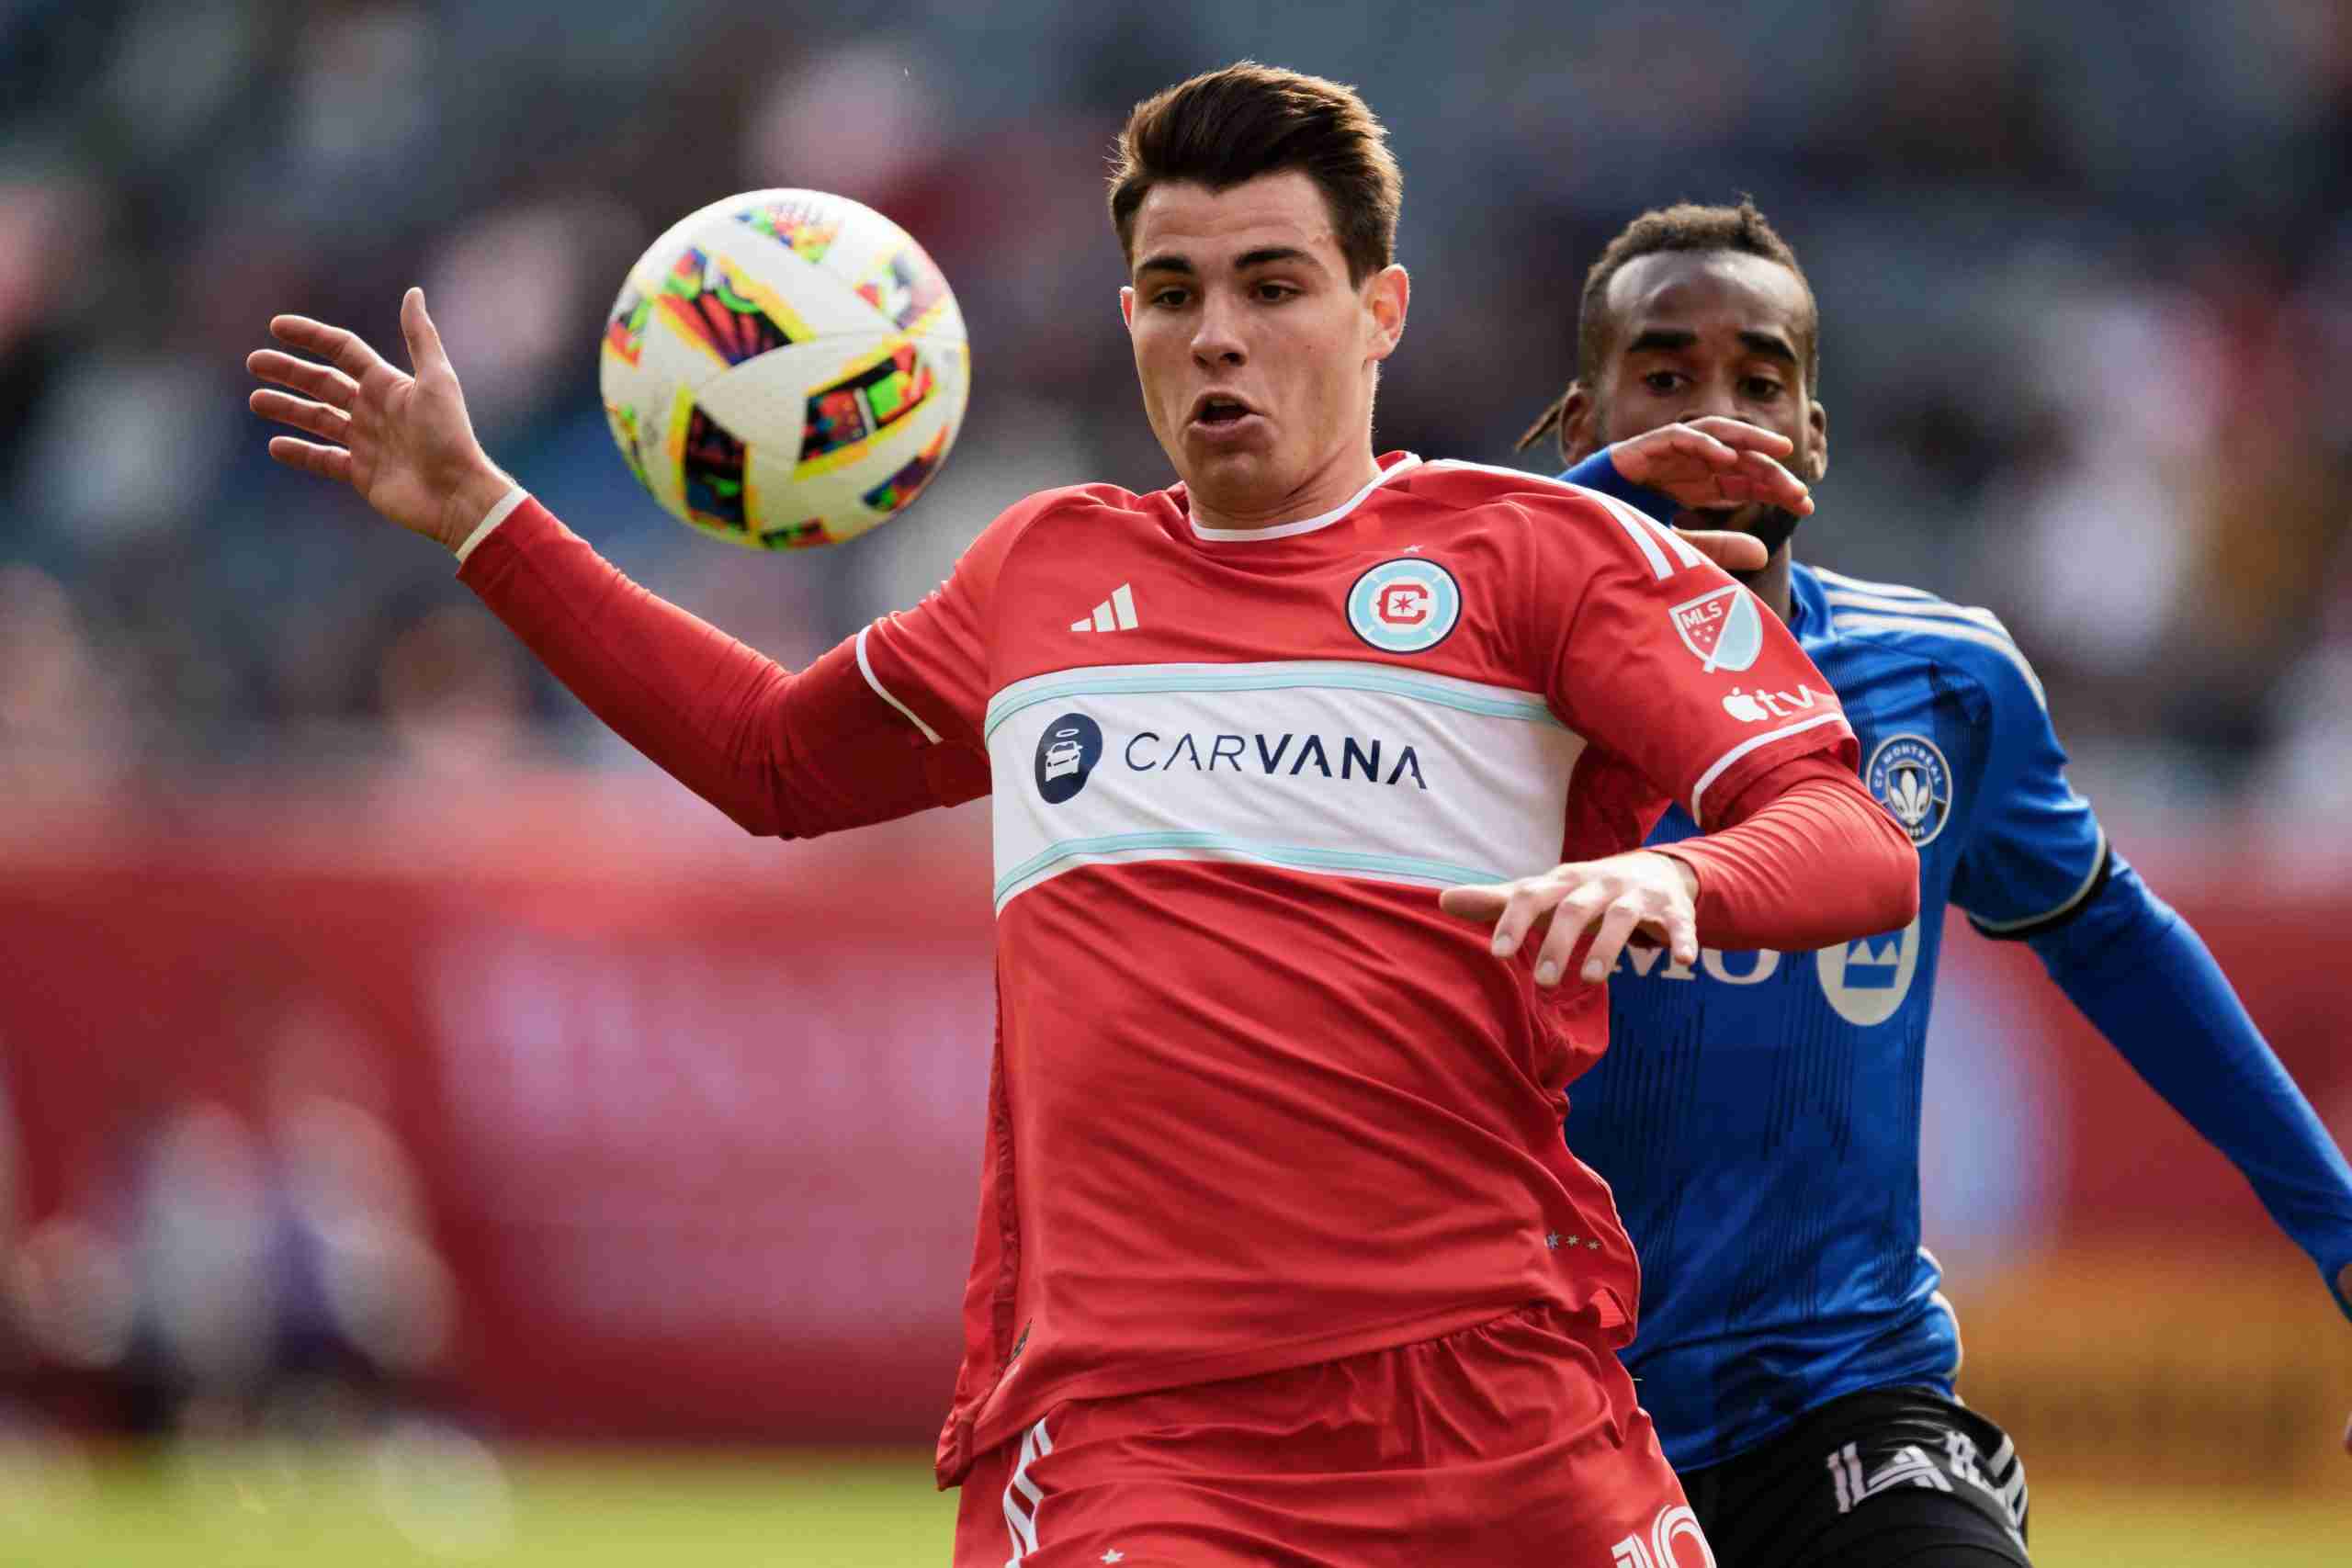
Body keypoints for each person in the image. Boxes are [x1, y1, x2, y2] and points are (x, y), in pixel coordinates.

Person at [248, 67, 1918, 1566]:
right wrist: (482, 515)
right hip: (1145, 1441)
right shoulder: (1044, 574)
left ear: (1380, 311)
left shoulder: (1539, 560)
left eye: (1274, 285)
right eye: (1175, 293)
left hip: (1502, 1401)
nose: (1218, 335)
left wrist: (1678, 880)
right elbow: (770, 759)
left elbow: (1848, 836)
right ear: (1129, 316)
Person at [1522, 199, 2352, 1568]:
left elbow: (2116, 944)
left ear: (1814, 438)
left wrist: (2335, 1222)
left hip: (1841, 1401)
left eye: (1760, 382)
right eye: (1665, 376)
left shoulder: (1943, 684)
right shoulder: (1479, 705)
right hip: (1542, 1415)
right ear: (1580, 429)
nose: (1719, 418)